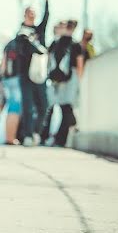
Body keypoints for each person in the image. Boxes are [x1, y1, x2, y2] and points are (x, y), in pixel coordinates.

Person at [41, 19, 85, 147]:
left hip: (55, 80)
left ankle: (50, 137)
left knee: (56, 107)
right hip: (69, 79)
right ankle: (62, 137)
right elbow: (79, 64)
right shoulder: (75, 45)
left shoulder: (55, 43)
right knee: (66, 107)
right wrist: (78, 80)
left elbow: (48, 60)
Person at [17, 0, 50, 145]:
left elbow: (47, 17)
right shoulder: (21, 33)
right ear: (24, 15)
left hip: (40, 74)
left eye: (33, 13)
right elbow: (22, 49)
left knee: (44, 106)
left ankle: (37, 132)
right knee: (28, 107)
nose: (32, 15)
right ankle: (28, 135)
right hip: (25, 75)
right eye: (29, 13)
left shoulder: (39, 31)